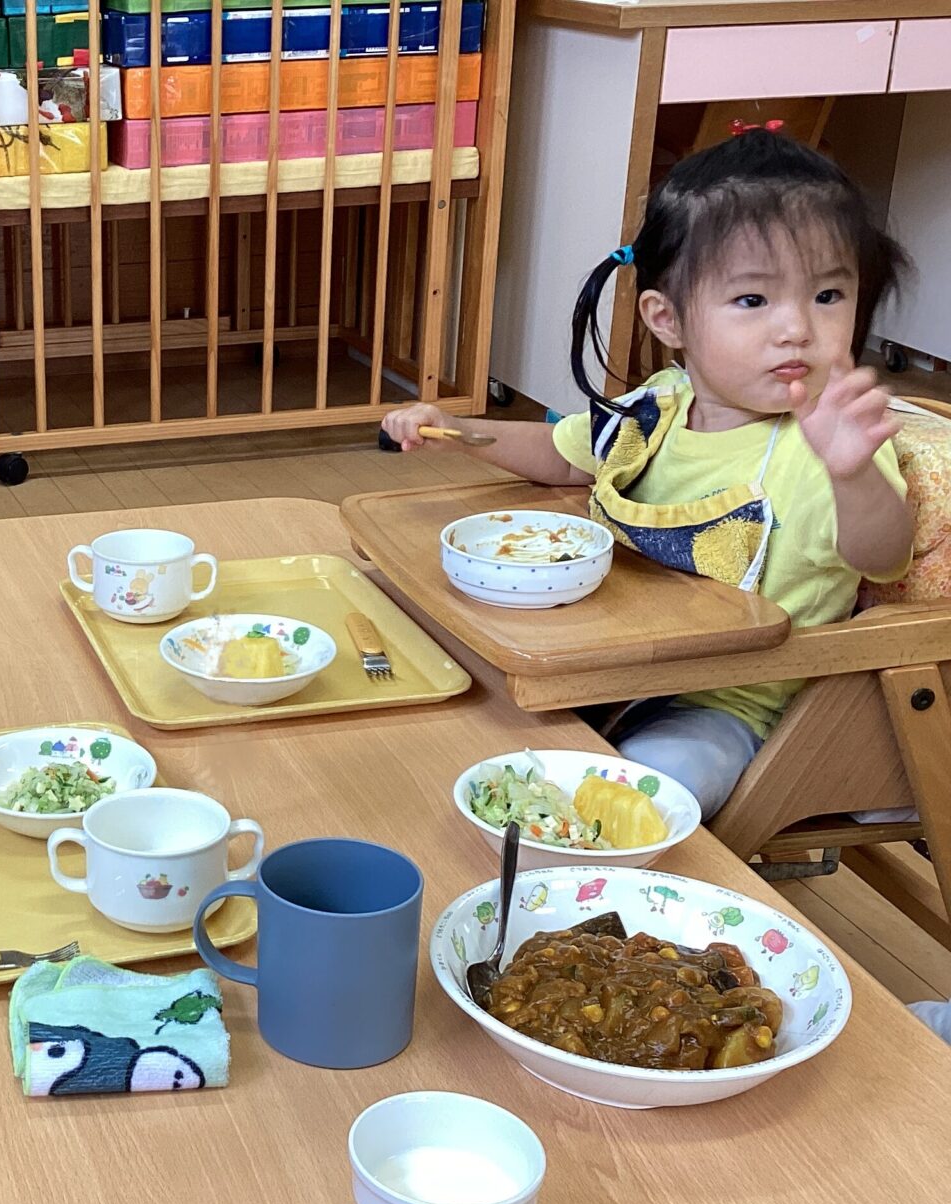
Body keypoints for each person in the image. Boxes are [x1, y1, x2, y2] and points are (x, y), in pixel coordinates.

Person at [385, 128, 914, 819]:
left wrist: (853, 474)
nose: (797, 328)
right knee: (446, 701)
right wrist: (459, 434)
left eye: (828, 295)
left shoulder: (827, 444)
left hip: (730, 705)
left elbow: (882, 554)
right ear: (668, 319)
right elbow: (564, 454)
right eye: (753, 301)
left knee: (644, 788)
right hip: (601, 665)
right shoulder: (658, 404)